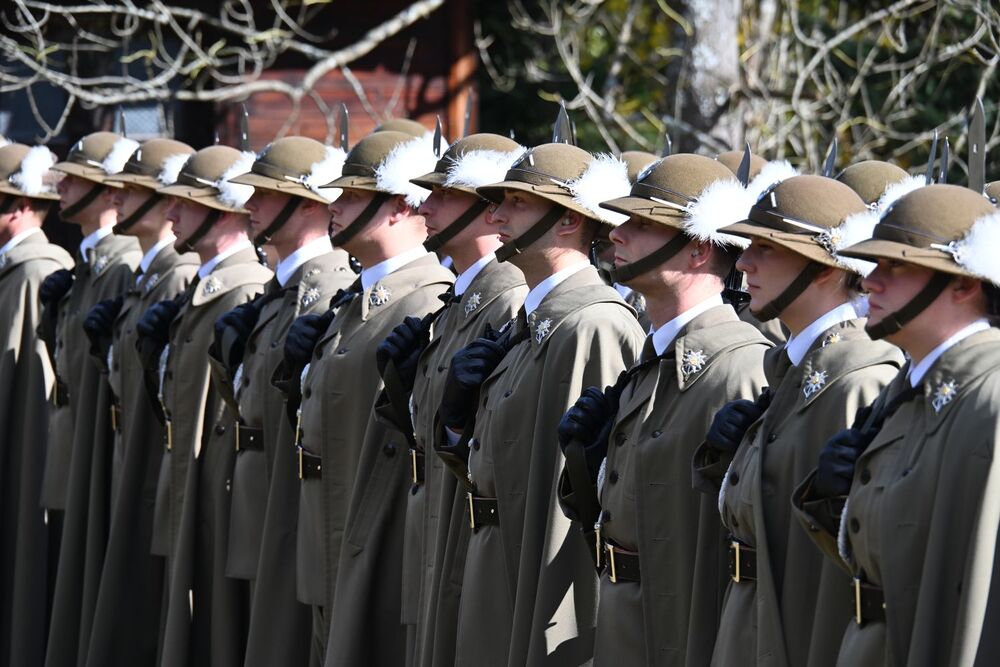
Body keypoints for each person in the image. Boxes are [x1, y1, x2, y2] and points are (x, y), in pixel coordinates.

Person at [556, 153, 772, 666]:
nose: (618, 233)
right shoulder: (654, 361)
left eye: (642, 223)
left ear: (698, 249)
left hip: (685, 637)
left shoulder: (739, 367)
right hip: (624, 624)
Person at [438, 144, 646, 666]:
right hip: (493, 570)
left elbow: (569, 514)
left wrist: (548, 639)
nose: (497, 215)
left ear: (571, 221)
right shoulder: (535, 321)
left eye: (517, 202)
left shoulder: (590, 324)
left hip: (533, 592)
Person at [693, 174, 903, 667]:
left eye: (767, 246)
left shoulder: (857, 379)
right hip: (747, 626)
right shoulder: (794, 368)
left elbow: (839, 576)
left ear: (827, 267)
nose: (743, 261)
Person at [793, 183, 1000, 666]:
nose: (869, 281)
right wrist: (834, 500)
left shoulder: (988, 401)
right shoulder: (912, 385)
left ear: (964, 283)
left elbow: (981, 610)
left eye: (895, 266)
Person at [276, 129, 453, 666]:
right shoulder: (355, 301)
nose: (336, 204)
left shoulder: (426, 300)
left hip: (385, 549)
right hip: (329, 542)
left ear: (400, 207)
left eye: (352, 194)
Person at [377, 133, 528, 667]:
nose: (426, 205)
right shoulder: (462, 297)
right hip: (434, 521)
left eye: (445, 194)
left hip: (467, 527)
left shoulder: (506, 295)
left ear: (491, 212)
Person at [213, 136, 355, 667]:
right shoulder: (286, 286)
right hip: (262, 494)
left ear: (306, 203)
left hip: (295, 502)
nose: (251, 206)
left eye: (266, 194)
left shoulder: (322, 289)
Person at [139, 145, 272, 667]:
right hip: (192, 482)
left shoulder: (242, 290)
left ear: (223, 212)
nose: (170, 213)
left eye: (185, 203)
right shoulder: (206, 285)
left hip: (221, 490)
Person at [82, 137, 198, 667]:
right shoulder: (148, 273)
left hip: (157, 457)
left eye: (134, 188)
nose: (118, 197)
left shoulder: (176, 273)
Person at [43, 131, 143, 667]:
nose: (61, 188)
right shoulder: (94, 262)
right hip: (76, 439)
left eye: (77, 179)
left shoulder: (121, 265)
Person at [0, 143, 72, 667]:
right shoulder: (15, 270)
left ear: (20, 206)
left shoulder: (36, 271)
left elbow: (36, 389)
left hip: (23, 452)